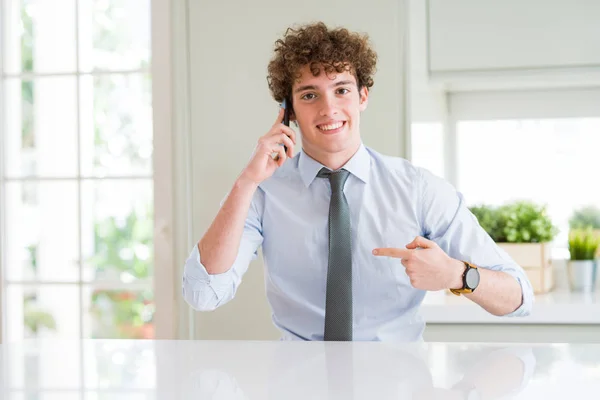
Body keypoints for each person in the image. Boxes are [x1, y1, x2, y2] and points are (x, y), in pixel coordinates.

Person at [182, 22, 533, 342]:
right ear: (287, 110)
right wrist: (245, 182)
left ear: (363, 97)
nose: (328, 108)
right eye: (309, 95)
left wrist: (456, 274)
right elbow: (203, 294)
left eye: (341, 90)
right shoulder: (263, 192)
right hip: (296, 384)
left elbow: (518, 297)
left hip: (399, 382)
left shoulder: (419, 189)